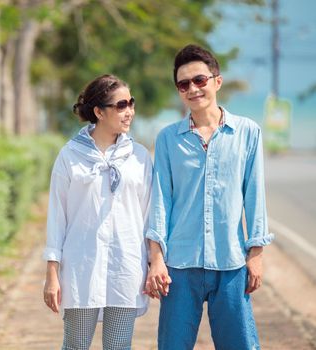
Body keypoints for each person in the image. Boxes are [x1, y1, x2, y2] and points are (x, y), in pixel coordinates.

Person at [144, 44, 274, 350]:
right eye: (183, 84)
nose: (192, 89)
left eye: (199, 80)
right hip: (179, 266)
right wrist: (156, 259)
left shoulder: (247, 133)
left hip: (230, 262)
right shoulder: (167, 139)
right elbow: (161, 200)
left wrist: (255, 254)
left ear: (217, 81)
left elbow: (255, 195)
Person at [42, 74, 153, 350]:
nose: (130, 112)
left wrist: (155, 263)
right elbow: (57, 218)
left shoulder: (139, 157)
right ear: (99, 112)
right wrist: (52, 275)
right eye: (121, 105)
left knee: (119, 347)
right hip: (81, 269)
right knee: (76, 346)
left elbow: (149, 215)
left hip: (125, 268)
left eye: (131, 103)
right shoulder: (69, 156)